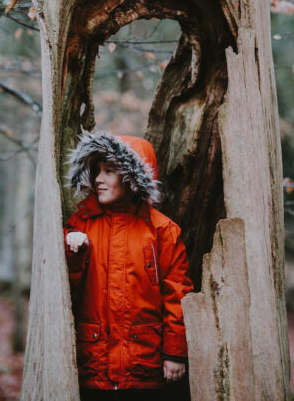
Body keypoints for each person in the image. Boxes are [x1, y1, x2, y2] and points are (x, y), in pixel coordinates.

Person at [63, 130, 194, 400]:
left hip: (144, 366)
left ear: (131, 177)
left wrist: (175, 353)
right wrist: (73, 251)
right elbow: (64, 291)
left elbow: (177, 294)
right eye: (96, 171)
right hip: (91, 365)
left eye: (109, 170)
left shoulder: (162, 231)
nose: (98, 179)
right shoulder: (80, 225)